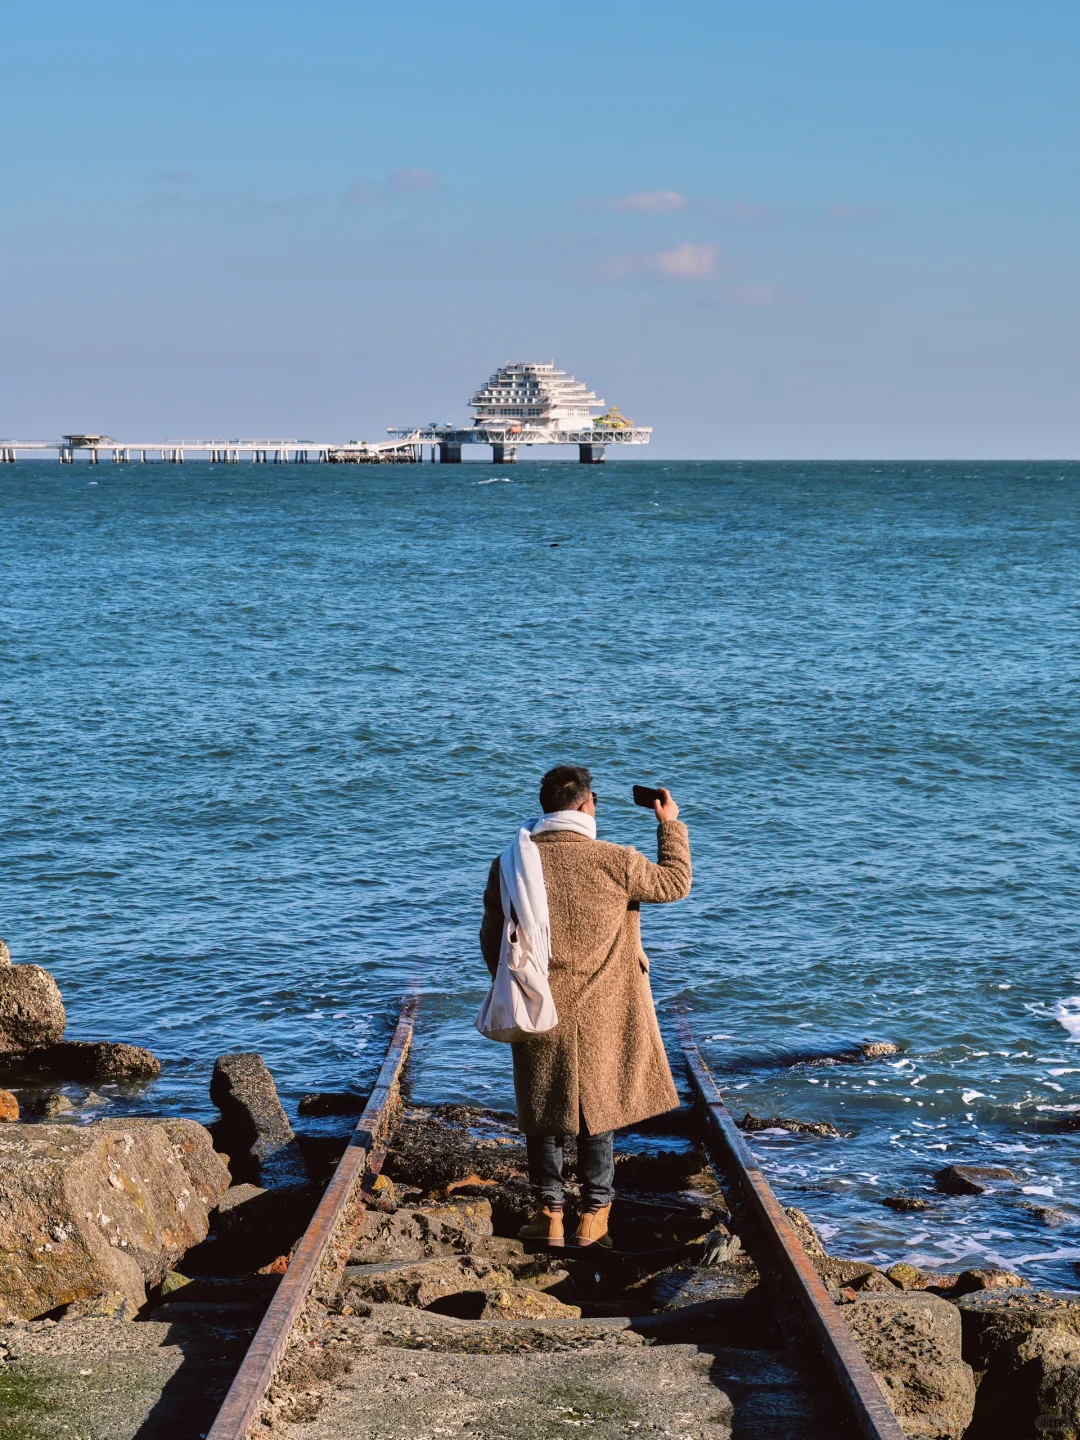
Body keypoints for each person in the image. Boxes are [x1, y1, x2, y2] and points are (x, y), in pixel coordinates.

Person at [480, 764, 692, 1248]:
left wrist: (508, 982)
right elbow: (675, 883)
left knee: (543, 1108)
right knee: (598, 1109)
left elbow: (493, 936)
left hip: (540, 999)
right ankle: (595, 1216)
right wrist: (669, 824)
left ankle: (548, 1214)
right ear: (584, 807)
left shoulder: (511, 861)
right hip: (605, 1004)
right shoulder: (615, 860)